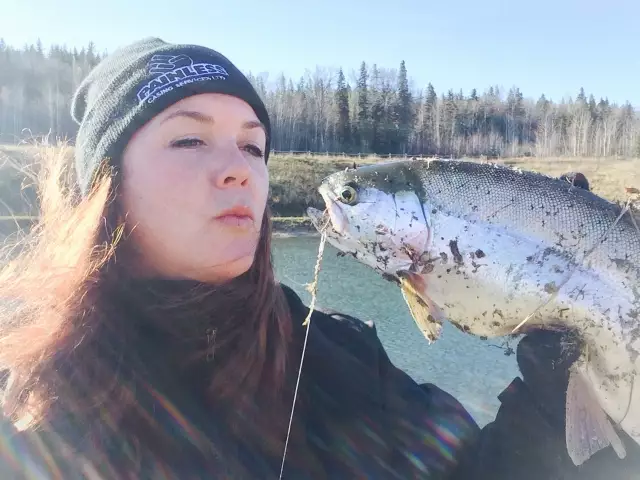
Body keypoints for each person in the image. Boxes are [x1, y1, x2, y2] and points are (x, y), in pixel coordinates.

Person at [0, 37, 637, 480]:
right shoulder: (25, 410)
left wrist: (557, 402)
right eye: (190, 138)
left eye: (253, 148)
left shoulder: (335, 357)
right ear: (103, 189)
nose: (238, 173)